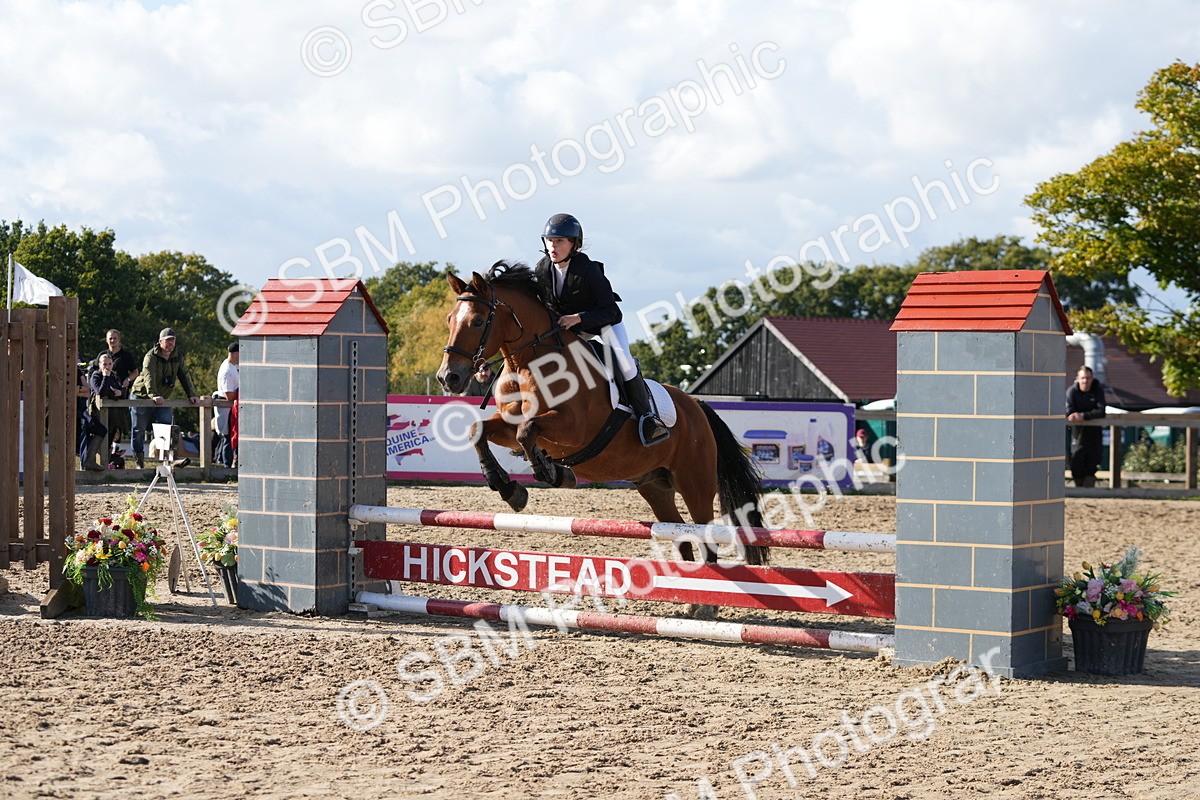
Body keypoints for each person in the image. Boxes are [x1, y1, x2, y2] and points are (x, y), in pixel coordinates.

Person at [533, 212, 669, 446]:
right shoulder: (542, 269)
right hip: (571, 330)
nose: (553, 246)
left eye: (560, 241)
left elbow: (612, 311)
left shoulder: (588, 269)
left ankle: (647, 418)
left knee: (625, 363)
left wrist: (578, 318)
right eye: (550, 240)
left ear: (574, 244)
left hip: (604, 323)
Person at [129, 327, 200, 468]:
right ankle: (139, 463)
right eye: (168, 340)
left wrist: (192, 394)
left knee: (169, 427)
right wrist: (154, 394)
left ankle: (172, 459)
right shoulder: (151, 356)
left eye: (173, 340)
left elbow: (185, 375)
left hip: (162, 398)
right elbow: (149, 377)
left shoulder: (178, 357)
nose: (171, 343)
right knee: (138, 430)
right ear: (160, 341)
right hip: (141, 396)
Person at [87, 329, 139, 464]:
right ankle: (97, 457)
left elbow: (135, 371)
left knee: (118, 425)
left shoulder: (125, 355)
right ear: (106, 340)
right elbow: (98, 385)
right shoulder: (102, 356)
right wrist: (103, 377)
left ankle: (113, 454)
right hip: (103, 394)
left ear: (119, 339)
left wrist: (126, 382)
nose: (112, 340)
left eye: (115, 338)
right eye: (110, 338)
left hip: (118, 392)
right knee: (103, 427)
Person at [1066, 365, 1106, 487]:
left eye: (1088, 378)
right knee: (1076, 461)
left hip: (1094, 432)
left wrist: (1083, 416)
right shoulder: (1072, 391)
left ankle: (1088, 490)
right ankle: (1079, 488)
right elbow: (1068, 411)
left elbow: (1101, 411)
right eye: (1083, 378)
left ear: (1092, 378)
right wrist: (1075, 416)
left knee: (1093, 462)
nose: (1085, 381)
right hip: (1077, 433)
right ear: (1078, 378)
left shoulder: (1097, 390)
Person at [84, 353, 125, 470]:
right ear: (99, 365)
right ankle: (91, 461)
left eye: (110, 364)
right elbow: (100, 392)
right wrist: (105, 377)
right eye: (104, 364)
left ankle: (106, 465)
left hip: (114, 414)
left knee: (111, 437)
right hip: (99, 414)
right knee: (102, 434)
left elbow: (122, 392)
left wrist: (120, 392)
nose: (107, 367)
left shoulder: (115, 377)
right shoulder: (96, 376)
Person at [214, 342, 240, 467]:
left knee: (230, 436)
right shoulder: (227, 370)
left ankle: (228, 464)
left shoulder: (232, 366)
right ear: (236, 354)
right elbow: (229, 394)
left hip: (231, 407)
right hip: (226, 407)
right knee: (228, 437)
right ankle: (226, 466)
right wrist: (241, 394)